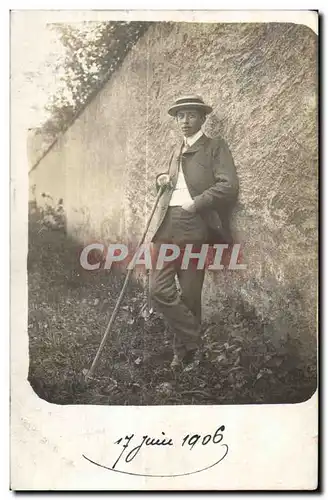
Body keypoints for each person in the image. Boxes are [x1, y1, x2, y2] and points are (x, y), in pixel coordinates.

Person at [150, 95, 239, 369]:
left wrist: (196, 204)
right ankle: (196, 340)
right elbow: (170, 180)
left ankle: (184, 355)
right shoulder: (176, 149)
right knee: (158, 289)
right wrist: (161, 179)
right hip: (166, 224)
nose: (184, 122)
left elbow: (228, 186)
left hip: (193, 223)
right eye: (179, 117)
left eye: (190, 115)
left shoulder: (214, 147)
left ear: (202, 118)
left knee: (189, 293)